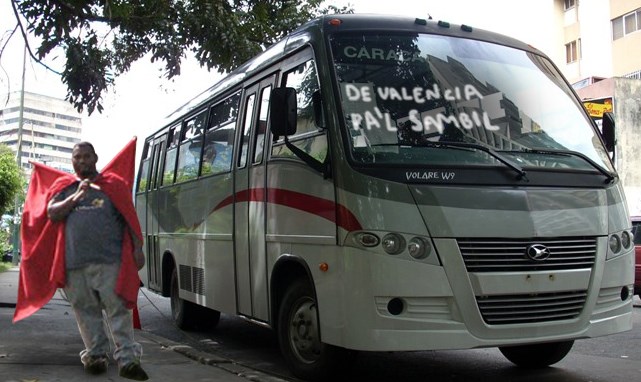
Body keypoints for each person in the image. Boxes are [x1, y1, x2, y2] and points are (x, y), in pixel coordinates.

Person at [46, 142, 148, 380]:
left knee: (118, 310)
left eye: (86, 156)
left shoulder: (113, 185)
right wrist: (76, 196)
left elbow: (129, 217)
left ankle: (128, 361)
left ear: (95, 158)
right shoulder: (66, 187)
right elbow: (52, 213)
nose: (81, 161)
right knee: (85, 311)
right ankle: (95, 356)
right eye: (77, 157)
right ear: (72, 161)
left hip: (110, 262)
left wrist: (138, 248)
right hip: (75, 264)